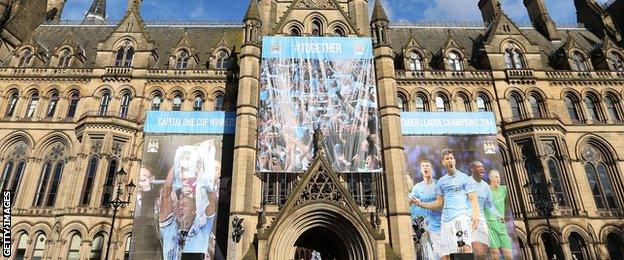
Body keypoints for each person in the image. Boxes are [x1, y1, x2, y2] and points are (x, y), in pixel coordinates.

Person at [413, 148, 479, 260]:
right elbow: (438, 203)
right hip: (446, 220)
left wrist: (476, 216)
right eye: (447, 159)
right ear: (443, 162)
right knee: (447, 254)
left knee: (464, 248)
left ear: (455, 160)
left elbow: (473, 198)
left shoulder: (464, 178)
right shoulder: (442, 181)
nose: (450, 160)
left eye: (451, 158)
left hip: (461, 217)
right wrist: (420, 204)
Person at [159, 142, 218, 260]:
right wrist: (178, 163)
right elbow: (166, 192)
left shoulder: (202, 228)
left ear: (194, 211)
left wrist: (205, 173)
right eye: (179, 204)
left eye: (184, 205)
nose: (179, 206)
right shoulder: (168, 229)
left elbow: (211, 199)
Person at [469, 161, 504, 260]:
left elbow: (490, 204)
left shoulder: (485, 186)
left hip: (481, 220)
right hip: (469, 219)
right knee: (477, 251)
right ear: (472, 169)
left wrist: (498, 215)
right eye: (478, 166)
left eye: (482, 166)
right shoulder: (466, 182)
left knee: (482, 255)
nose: (481, 168)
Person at [409, 159, 442, 259]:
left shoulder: (439, 185)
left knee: (442, 255)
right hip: (426, 228)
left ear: (431, 169)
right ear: (421, 170)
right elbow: (409, 202)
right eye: (423, 166)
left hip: (440, 226)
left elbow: (440, 205)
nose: (425, 168)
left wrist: (421, 204)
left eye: (427, 166)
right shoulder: (417, 187)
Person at [486, 170, 513, 260]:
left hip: (501, 226)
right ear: (490, 178)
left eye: (499, 177)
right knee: (495, 253)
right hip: (490, 226)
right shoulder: (485, 191)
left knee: (509, 254)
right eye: (496, 177)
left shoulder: (504, 189)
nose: (498, 178)